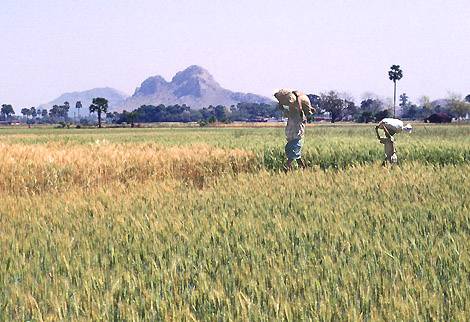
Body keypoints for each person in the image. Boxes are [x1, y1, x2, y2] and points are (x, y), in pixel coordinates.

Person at [274, 89, 315, 172]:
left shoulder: (298, 101)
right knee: (295, 153)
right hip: (292, 134)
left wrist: (302, 112)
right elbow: (283, 107)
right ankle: (303, 167)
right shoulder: (292, 109)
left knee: (293, 151)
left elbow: (300, 107)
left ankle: (287, 167)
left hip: (297, 135)